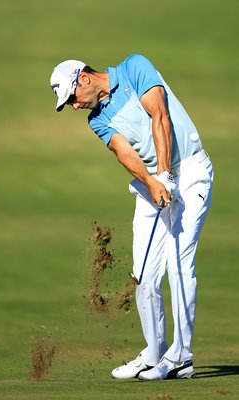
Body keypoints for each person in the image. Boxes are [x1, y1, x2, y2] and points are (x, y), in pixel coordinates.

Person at [49, 54, 213, 381]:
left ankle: (181, 357)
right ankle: (154, 354)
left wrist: (165, 175)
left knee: (178, 264)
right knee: (144, 274)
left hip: (191, 172)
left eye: (72, 98)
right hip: (152, 184)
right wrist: (154, 182)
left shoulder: (134, 68)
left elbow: (160, 115)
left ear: (84, 78)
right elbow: (125, 151)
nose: (75, 106)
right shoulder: (96, 119)